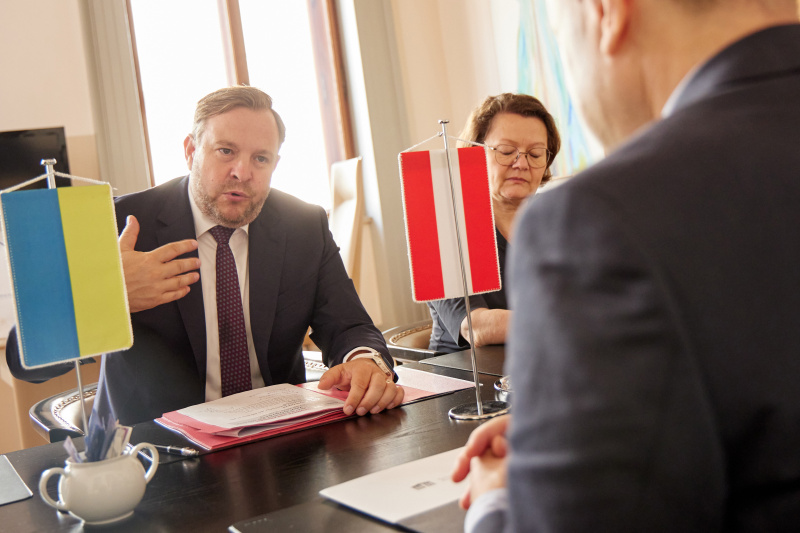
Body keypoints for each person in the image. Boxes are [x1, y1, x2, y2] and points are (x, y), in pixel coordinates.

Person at [453, 1, 800, 531]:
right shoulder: (459, 235)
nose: (522, 163)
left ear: (606, 12)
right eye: (506, 151)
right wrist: (576, 426)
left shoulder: (599, 216)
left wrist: (495, 500)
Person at [7, 86, 403, 424]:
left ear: (275, 164)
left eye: (260, 159)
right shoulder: (116, 222)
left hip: (279, 439)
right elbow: (25, 362)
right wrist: (105, 295)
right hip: (157, 453)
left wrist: (366, 362)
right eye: (225, 151)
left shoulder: (303, 224)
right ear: (191, 150)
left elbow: (350, 326)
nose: (242, 172)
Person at [427, 93, 560, 353]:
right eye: (506, 151)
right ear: (475, 154)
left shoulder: (557, 221)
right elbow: (476, 326)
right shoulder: (443, 227)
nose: (521, 163)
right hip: (466, 378)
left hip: (542, 365)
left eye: (535, 154)